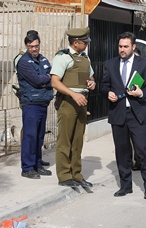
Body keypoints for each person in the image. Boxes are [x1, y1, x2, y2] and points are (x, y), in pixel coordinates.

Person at [101, 31, 146, 199]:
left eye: (126, 46)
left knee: (142, 151)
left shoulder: (143, 64)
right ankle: (125, 186)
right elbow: (103, 85)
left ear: (133, 47)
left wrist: (140, 93)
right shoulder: (110, 64)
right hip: (118, 114)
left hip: (137, 114)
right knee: (122, 151)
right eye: (120, 46)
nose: (122, 49)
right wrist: (108, 93)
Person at [50, 27, 96, 188]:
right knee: (65, 140)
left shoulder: (85, 58)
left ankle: (76, 174)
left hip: (82, 102)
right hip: (68, 102)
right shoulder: (63, 58)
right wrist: (73, 94)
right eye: (85, 42)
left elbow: (90, 76)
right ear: (76, 43)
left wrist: (92, 82)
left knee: (77, 141)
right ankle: (64, 175)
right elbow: (55, 82)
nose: (87, 44)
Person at [16, 31, 54, 179]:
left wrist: (45, 80)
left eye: (36, 46)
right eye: (31, 46)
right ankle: (27, 168)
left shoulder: (43, 59)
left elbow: (52, 76)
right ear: (27, 46)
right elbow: (37, 80)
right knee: (30, 136)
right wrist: (45, 80)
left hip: (43, 102)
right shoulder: (24, 62)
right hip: (31, 103)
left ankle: (37, 165)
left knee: (39, 136)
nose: (34, 49)